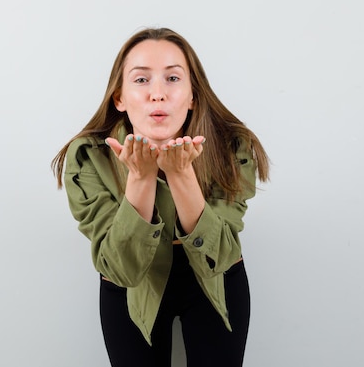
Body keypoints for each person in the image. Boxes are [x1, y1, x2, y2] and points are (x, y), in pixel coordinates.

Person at [51, 27, 269, 367]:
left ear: (193, 94)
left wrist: (182, 174)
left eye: (172, 78)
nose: (158, 94)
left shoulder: (232, 147)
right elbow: (120, 270)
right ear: (119, 98)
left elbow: (222, 252)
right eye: (141, 80)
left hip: (212, 277)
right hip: (134, 282)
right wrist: (141, 177)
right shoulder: (87, 156)